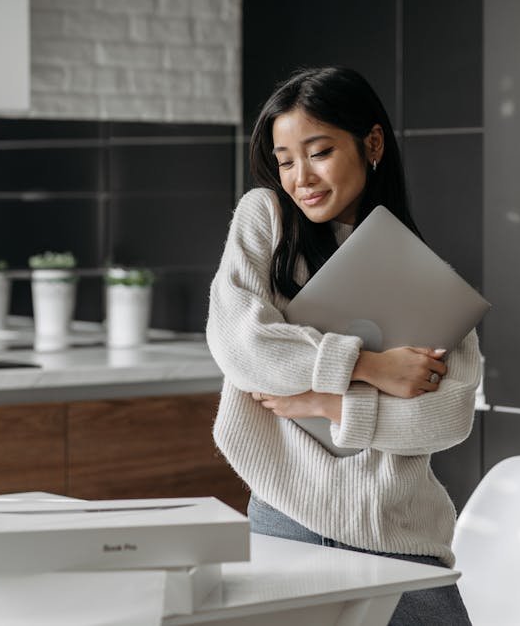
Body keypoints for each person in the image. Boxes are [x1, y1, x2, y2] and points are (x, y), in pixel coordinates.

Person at [206, 66, 481, 625]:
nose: (300, 176)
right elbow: (242, 344)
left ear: (372, 143)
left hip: (401, 534)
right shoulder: (266, 219)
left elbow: (449, 416)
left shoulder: (423, 275)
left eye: (319, 151)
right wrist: (370, 366)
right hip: (287, 522)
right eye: (285, 160)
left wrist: (330, 403)